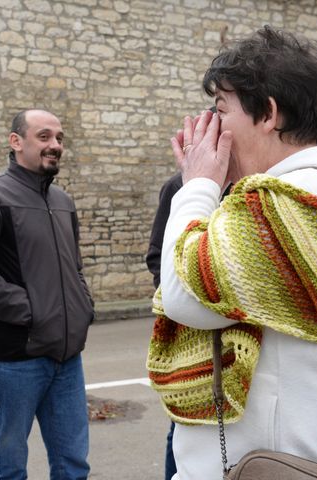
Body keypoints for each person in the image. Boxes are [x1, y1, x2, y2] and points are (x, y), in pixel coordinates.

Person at [147, 26, 317, 480]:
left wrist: (197, 185)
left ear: (269, 114)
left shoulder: (294, 198)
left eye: (221, 109)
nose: (211, 125)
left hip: (278, 466)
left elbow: (185, 293)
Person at [0, 109, 95, 480]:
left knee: (73, 464)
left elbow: (75, 268)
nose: (55, 146)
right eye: (44, 136)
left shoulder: (63, 202)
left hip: (68, 358)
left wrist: (82, 307)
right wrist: (34, 312)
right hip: (16, 359)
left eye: (60, 138)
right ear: (16, 142)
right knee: (10, 466)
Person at [145, 171, 182, 480]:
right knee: (182, 423)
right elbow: (157, 256)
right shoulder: (178, 185)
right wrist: (178, 299)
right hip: (187, 332)